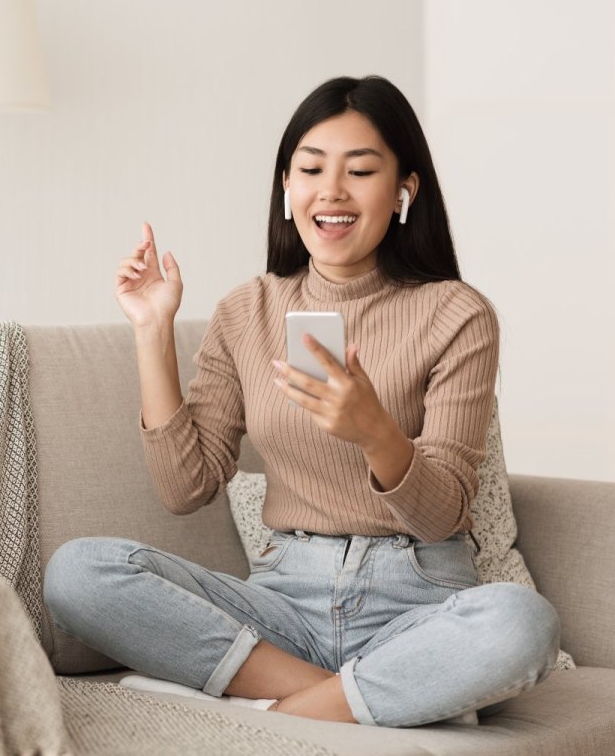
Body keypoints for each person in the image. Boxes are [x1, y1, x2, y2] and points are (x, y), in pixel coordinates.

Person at [43, 75, 560, 727]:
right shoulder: (246, 310)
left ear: (405, 189)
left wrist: (376, 432)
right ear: (287, 187)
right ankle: (364, 699)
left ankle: (279, 714)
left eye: (361, 170)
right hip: (284, 601)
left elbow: (444, 513)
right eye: (311, 168)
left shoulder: (457, 314)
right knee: (78, 571)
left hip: (417, 599)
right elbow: (186, 486)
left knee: (522, 621)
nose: (332, 191)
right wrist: (152, 331)